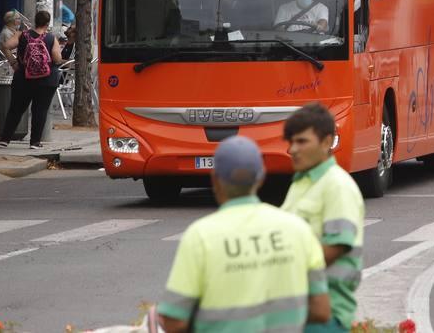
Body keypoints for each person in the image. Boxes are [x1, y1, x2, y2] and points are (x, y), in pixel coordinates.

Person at [157, 135, 330, 333]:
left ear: (214, 178)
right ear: (262, 176)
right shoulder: (298, 229)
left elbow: (174, 320)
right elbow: (321, 310)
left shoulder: (201, 236)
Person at [281, 104, 366, 333]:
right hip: (296, 311)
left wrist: (280, 270)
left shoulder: (337, 185)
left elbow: (336, 246)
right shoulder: (302, 183)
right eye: (291, 142)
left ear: (327, 142)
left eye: (302, 141)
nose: (292, 149)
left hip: (325, 315)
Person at [0, 10, 63, 149]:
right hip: (46, 80)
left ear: (35, 21)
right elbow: (57, 58)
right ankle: (35, 142)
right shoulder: (51, 38)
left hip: (23, 78)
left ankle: (5, 138)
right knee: (40, 110)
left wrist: (13, 62)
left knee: (16, 108)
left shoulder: (22, 35)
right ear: (47, 23)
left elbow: (5, 46)